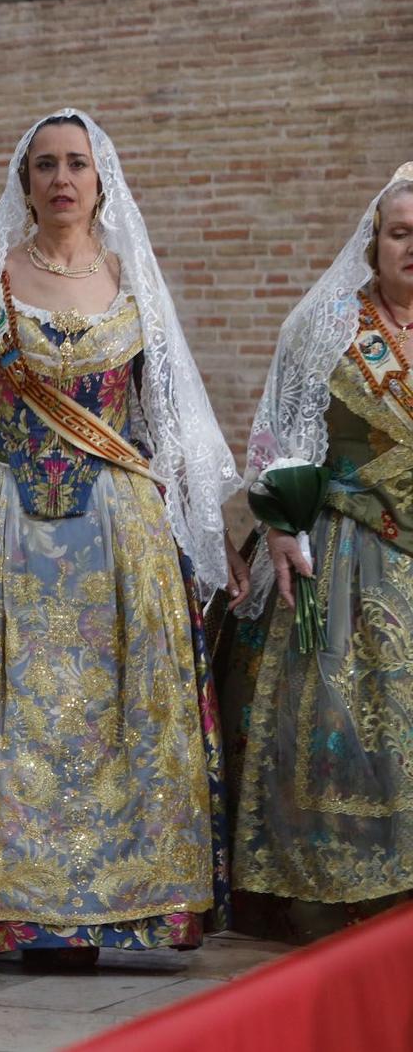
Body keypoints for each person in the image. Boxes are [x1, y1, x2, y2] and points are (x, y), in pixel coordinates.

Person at [0, 110, 242, 967]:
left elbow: (172, 420)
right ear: (25, 182)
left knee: (112, 719)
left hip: (116, 529)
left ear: (101, 180)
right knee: (5, 716)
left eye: (77, 164)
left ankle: (118, 902)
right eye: (45, 165)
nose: (62, 178)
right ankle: (2, 901)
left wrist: (198, 526)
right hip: (4, 525)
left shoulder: (133, 284)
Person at [217, 162, 413, 942]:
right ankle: (329, 884)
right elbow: (277, 438)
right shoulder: (327, 324)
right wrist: (279, 526)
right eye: (401, 233)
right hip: (342, 550)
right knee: (342, 724)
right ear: (375, 243)